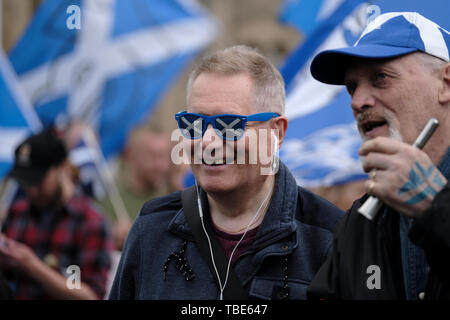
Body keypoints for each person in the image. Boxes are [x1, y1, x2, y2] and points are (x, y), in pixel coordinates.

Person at [109, 45, 344, 300]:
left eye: (230, 125)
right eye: (194, 124)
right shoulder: (151, 228)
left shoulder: (329, 236)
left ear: (276, 133)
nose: (207, 142)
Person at [307, 12, 450, 299]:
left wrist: (435, 211)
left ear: (445, 84)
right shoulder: (360, 223)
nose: (358, 101)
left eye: (381, 77)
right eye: (351, 87)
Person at [0, 128, 114, 299]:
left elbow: (90, 295)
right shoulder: (18, 212)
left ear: (63, 168)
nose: (32, 190)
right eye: (25, 182)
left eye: (38, 181)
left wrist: (32, 265)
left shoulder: (90, 221)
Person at [100, 126, 172, 250]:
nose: (160, 165)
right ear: (130, 155)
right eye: (152, 156)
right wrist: (108, 236)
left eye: (164, 156)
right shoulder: (108, 200)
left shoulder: (175, 200)